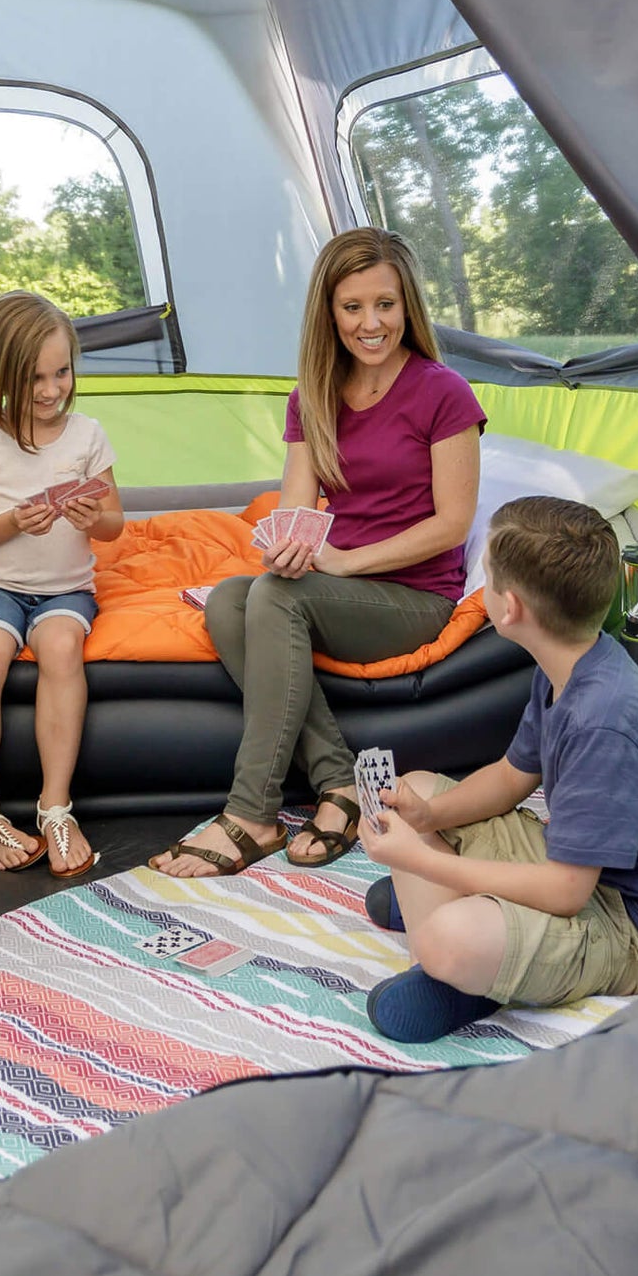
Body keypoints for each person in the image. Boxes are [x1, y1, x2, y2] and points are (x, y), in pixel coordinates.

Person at [152, 228, 483, 878]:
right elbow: (294, 511)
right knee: (230, 599)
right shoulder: (312, 397)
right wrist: (287, 553)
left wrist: (342, 562)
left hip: (414, 597)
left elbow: (453, 524)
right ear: (329, 313)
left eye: (385, 304)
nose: (371, 323)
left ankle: (252, 813)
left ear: (407, 306)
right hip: (334, 590)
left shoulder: (444, 392)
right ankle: (339, 784)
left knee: (274, 600)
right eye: (353, 307)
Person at [357, 495, 638, 1043]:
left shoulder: (604, 722)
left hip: (636, 929)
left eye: (485, 576)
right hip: (583, 875)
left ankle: (454, 970)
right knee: (416, 793)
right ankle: (465, 928)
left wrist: (424, 864)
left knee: (446, 936)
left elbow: (566, 892)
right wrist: (428, 817)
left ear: (510, 609)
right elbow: (510, 778)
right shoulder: (570, 664)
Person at [0, 291, 124, 878]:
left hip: (66, 590)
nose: (51, 391)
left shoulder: (88, 435)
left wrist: (91, 518)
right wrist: (13, 522)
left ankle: (56, 808)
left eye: (61, 373)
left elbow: (115, 525)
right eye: (33, 379)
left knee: (62, 648)